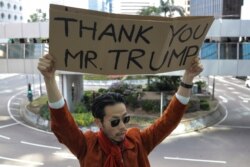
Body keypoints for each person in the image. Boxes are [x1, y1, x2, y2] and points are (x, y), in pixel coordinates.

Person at [37, 54, 203, 167]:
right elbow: (63, 124)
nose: (123, 127)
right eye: (115, 122)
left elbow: (169, 120)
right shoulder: (86, 146)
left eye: (126, 119)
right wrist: (49, 79)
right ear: (99, 122)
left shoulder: (138, 141)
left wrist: (188, 78)